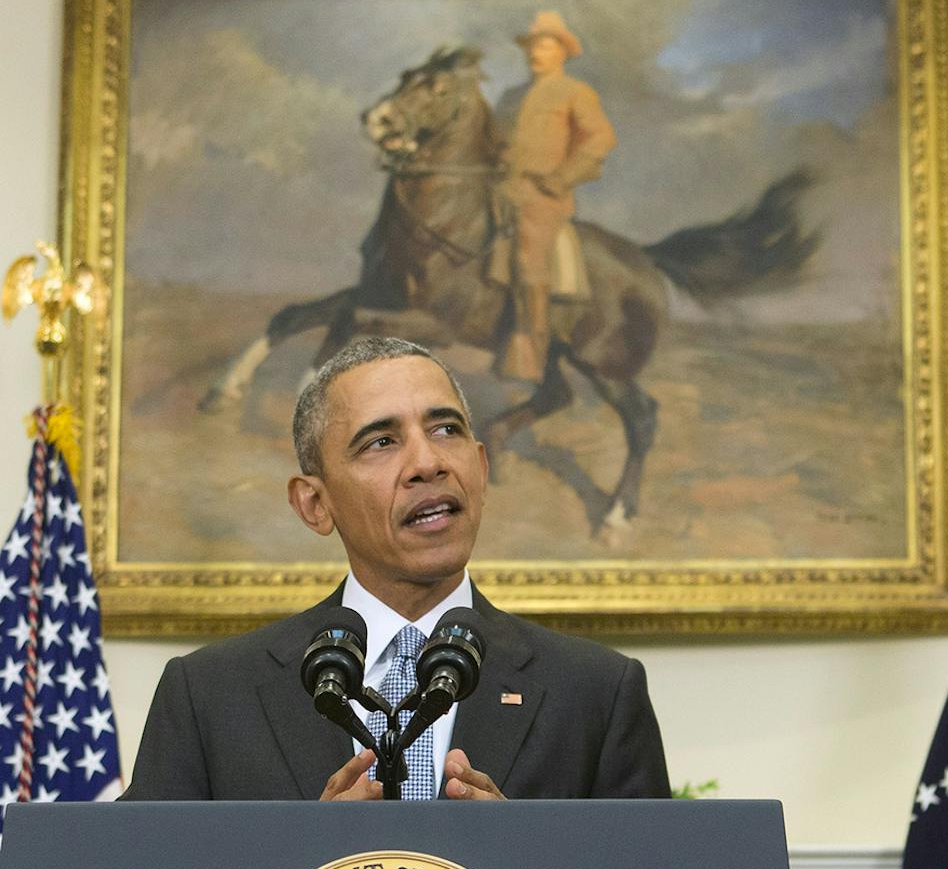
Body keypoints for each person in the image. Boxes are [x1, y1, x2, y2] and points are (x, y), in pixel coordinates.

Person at [121, 336, 668, 802]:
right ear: (315, 504)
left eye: (446, 430)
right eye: (381, 441)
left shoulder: (596, 694)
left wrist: (523, 856)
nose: (428, 463)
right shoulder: (210, 696)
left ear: (480, 467)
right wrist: (305, 858)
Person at [495, 9, 616, 382]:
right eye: (532, 45)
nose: (536, 52)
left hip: (542, 196)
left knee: (529, 257)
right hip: (500, 190)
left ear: (563, 51)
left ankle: (531, 350)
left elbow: (601, 139)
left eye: (545, 45)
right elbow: (494, 143)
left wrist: (562, 177)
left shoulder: (575, 93)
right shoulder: (511, 97)